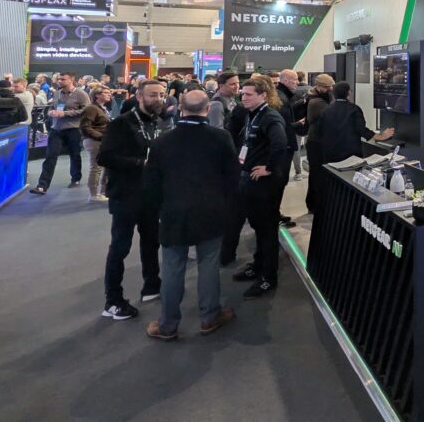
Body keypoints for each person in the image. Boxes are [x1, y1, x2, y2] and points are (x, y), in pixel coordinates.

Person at [144, 91, 237, 340]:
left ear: (180, 109)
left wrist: (158, 210)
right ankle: (209, 317)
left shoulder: (162, 141)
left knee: (172, 268)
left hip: (173, 211)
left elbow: (151, 183)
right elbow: (232, 178)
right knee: (208, 265)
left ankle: (167, 324)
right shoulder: (221, 137)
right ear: (207, 109)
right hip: (211, 210)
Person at [97, 79, 168, 321]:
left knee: (151, 242)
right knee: (120, 247)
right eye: (152, 95)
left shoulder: (158, 122)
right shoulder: (122, 123)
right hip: (125, 196)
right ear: (139, 96)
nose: (158, 99)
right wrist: (140, 164)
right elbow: (104, 157)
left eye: (161, 94)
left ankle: (152, 285)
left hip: (150, 196)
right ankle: (113, 301)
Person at [228, 76, 290, 299]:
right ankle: (258, 265)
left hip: (265, 184)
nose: (243, 98)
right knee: (258, 227)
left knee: (267, 230)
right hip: (251, 181)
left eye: (248, 94)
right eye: (242, 94)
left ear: (263, 95)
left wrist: (269, 168)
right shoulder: (252, 114)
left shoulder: (270, 117)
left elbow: (280, 144)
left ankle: (268, 278)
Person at [30, 73, 90, 194]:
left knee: (74, 154)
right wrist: (50, 112)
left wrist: (66, 113)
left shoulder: (81, 94)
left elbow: (87, 110)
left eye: (63, 79)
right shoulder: (57, 93)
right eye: (59, 79)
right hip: (56, 129)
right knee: (50, 156)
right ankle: (42, 185)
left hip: (73, 129)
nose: (60, 81)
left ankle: (76, 178)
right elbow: (54, 107)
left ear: (71, 80)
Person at [317, 81, 394, 166]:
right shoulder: (354, 109)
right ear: (348, 93)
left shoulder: (326, 110)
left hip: (330, 154)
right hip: (350, 156)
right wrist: (381, 136)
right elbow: (362, 130)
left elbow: (319, 131)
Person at [301, 74, 335, 213]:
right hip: (316, 142)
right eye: (327, 87)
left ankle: (315, 204)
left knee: (317, 174)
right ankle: (315, 205)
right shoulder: (316, 102)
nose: (330, 89)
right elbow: (331, 116)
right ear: (319, 86)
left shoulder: (314, 98)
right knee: (317, 175)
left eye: (331, 87)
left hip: (317, 140)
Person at [80, 86, 113, 203]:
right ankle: (93, 194)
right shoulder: (91, 108)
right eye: (106, 92)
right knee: (96, 167)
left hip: (103, 140)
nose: (109, 94)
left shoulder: (103, 108)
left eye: (109, 92)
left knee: (105, 166)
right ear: (97, 95)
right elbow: (85, 127)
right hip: (94, 141)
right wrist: (101, 137)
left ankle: (103, 192)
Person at [277, 69, 304, 181]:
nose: (297, 82)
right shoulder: (282, 99)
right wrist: (297, 124)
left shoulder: (282, 95)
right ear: (286, 81)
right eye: (295, 80)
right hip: (284, 144)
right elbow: (282, 126)